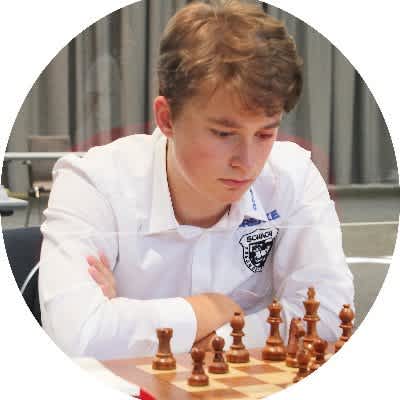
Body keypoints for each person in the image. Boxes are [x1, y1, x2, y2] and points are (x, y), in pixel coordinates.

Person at [38, 0, 354, 360]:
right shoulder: (92, 183)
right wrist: (212, 307)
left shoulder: (292, 177)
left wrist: (146, 323)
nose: (247, 162)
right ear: (166, 118)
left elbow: (329, 318)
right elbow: (74, 337)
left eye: (265, 133)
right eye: (223, 133)